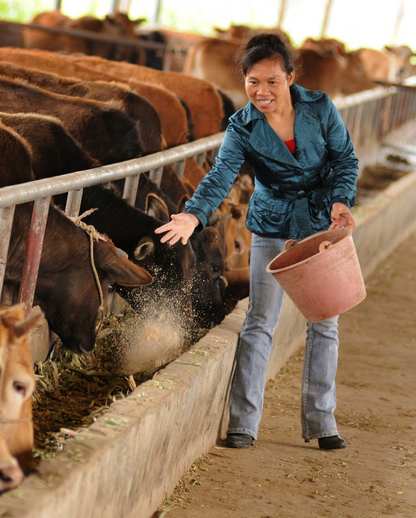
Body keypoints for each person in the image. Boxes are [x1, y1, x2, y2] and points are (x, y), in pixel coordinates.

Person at [156, 33, 358, 450]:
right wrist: (194, 214)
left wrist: (340, 199)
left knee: (325, 322)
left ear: (290, 76)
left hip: (319, 222)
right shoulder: (242, 125)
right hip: (269, 221)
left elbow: (345, 159)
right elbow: (220, 174)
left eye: (271, 81)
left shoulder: (319, 108)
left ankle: (322, 421)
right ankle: (243, 423)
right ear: (244, 80)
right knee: (260, 321)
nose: (262, 92)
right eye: (253, 82)